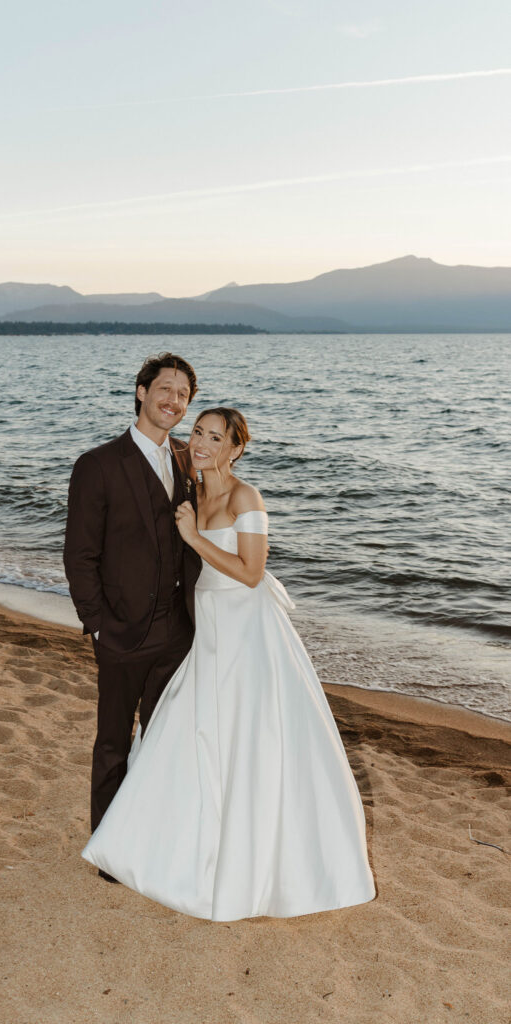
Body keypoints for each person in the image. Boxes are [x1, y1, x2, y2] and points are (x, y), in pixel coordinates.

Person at [82, 407, 376, 920]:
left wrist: (194, 537)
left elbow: (251, 572)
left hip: (247, 630)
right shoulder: (191, 491)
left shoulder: (246, 497)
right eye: (197, 431)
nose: (201, 442)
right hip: (207, 629)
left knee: (251, 735)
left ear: (235, 448)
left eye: (215, 437)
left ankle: (255, 858)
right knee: (190, 730)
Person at [63, 353, 202, 872]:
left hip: (179, 630)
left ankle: (155, 836)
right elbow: (80, 555)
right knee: (114, 742)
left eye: (183, 394)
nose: (173, 401)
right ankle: (110, 849)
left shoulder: (190, 459)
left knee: (167, 738)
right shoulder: (98, 464)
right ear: (141, 391)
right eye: (164, 389)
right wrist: (97, 623)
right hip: (120, 631)